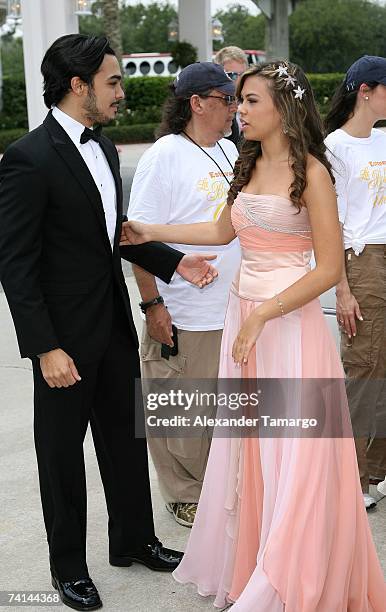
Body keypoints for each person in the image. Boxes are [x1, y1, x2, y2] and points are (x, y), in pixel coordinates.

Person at [122, 61, 386, 610]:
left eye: (250, 102)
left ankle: (296, 574)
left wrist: (263, 314)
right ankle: (259, 559)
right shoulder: (247, 164)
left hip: (287, 328)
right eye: (237, 101)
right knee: (253, 450)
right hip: (247, 318)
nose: (239, 111)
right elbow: (222, 230)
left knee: (296, 452)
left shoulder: (311, 171)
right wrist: (151, 231)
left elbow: (330, 267)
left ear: (283, 109)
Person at [0, 34, 218, 612]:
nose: (122, 92)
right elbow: (16, 267)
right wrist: (44, 346)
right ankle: (68, 567)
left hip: (115, 327)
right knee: (62, 457)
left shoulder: (104, 147)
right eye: (113, 82)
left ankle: (134, 540)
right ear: (79, 86)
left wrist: (173, 262)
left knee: (125, 442)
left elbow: (113, 236)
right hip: (63, 342)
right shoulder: (28, 158)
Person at [129, 62, 241, 528]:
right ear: (196, 103)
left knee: (217, 409)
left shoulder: (231, 151)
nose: (235, 107)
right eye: (227, 98)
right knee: (179, 410)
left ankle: (214, 486)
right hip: (183, 309)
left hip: (229, 307)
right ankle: (183, 494)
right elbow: (136, 237)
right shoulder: (165, 155)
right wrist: (153, 304)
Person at [325, 55, 386, 511]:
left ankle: (381, 470)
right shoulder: (336, 147)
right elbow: (334, 224)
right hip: (361, 262)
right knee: (363, 368)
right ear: (365, 90)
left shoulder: (383, 140)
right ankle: (354, 477)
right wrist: (342, 289)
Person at [214, 46, 249, 149]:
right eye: (232, 75)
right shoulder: (213, 107)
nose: (239, 81)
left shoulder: (253, 104)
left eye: (242, 75)